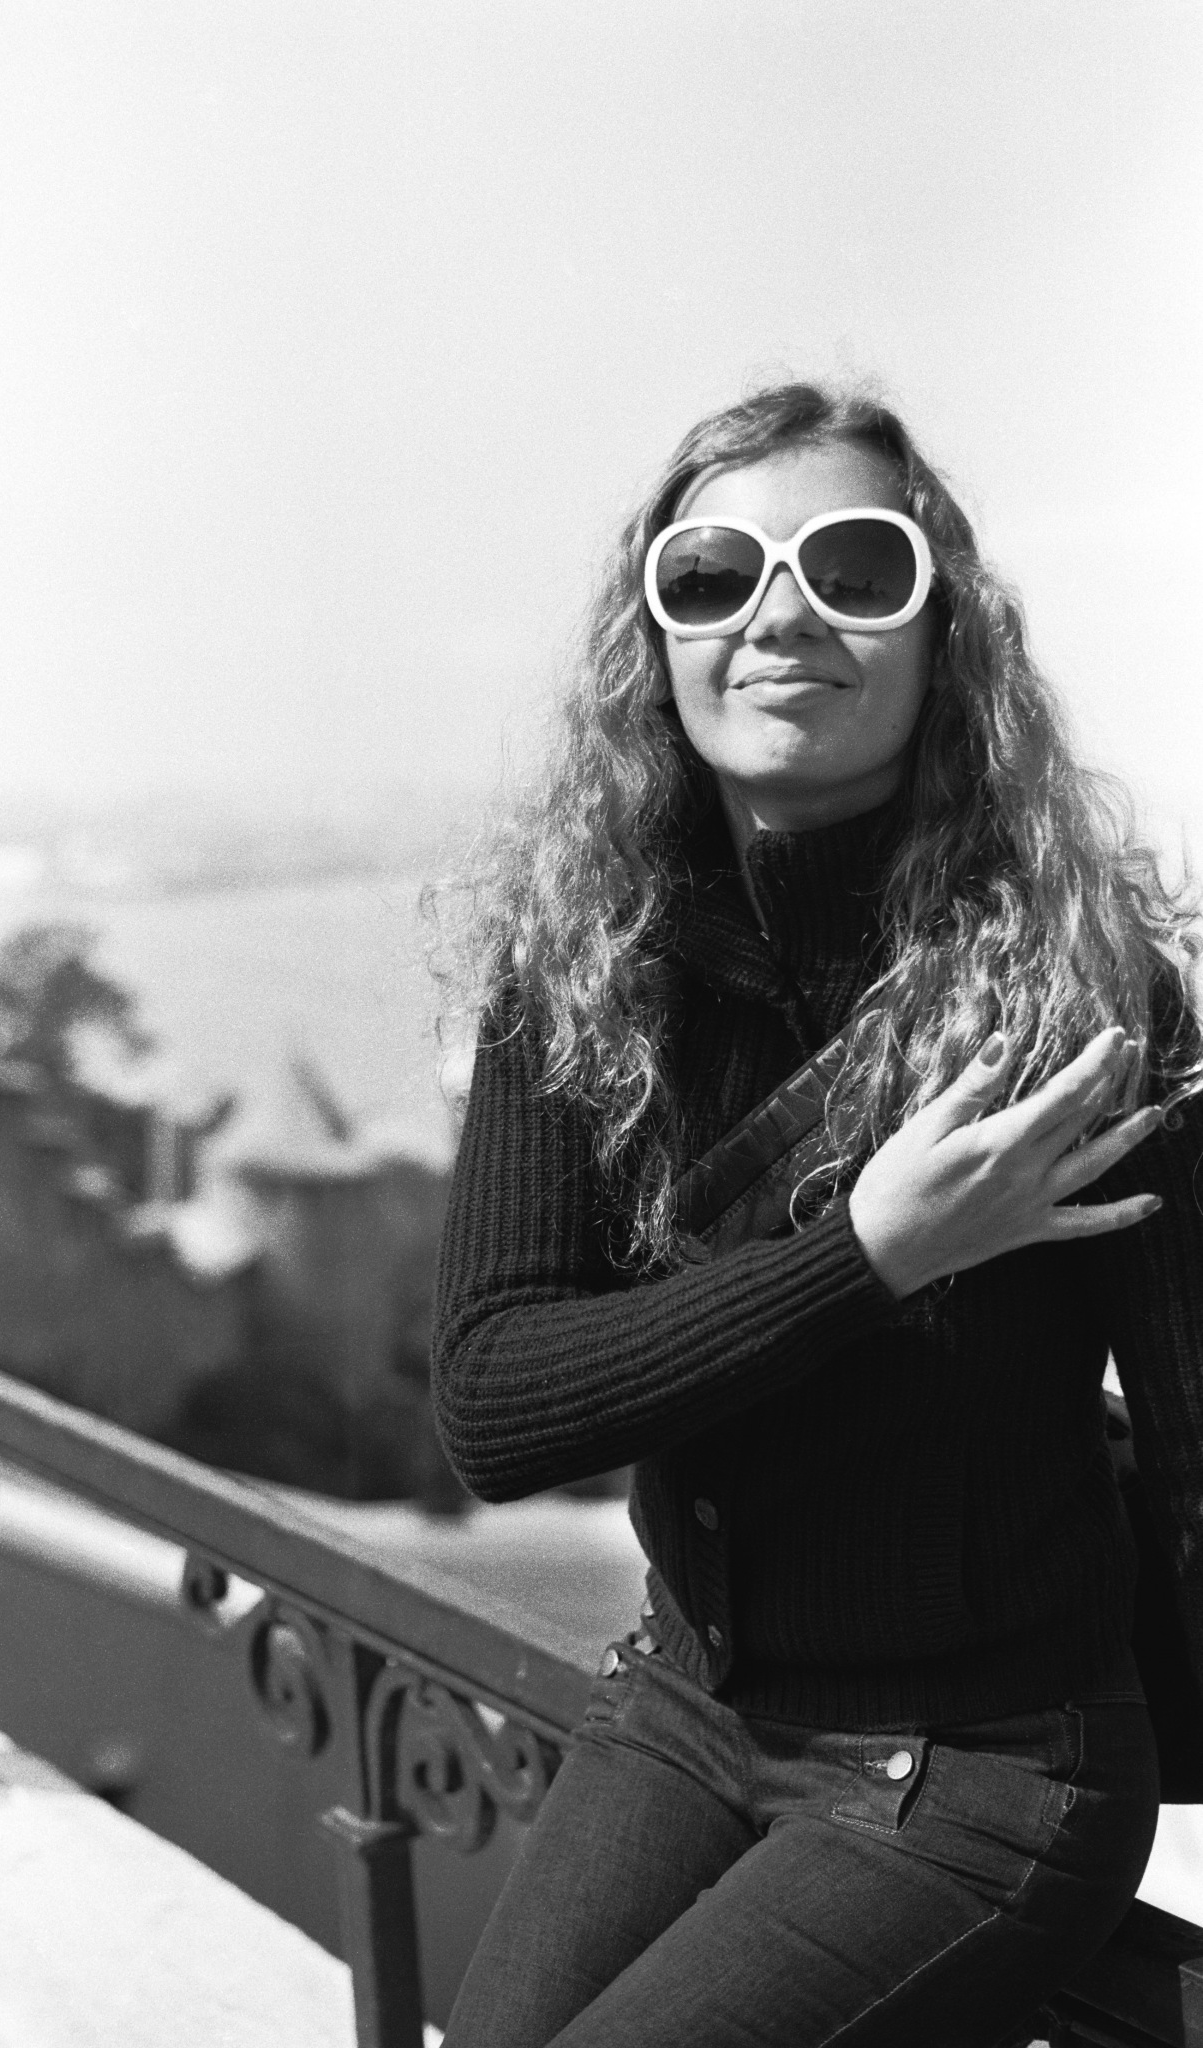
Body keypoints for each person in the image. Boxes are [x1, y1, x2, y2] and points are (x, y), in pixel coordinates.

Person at [430, 383, 1203, 2048]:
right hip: (689, 1704)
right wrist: (870, 1256)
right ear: (658, 643)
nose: (781, 615)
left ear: (944, 634)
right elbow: (494, 1402)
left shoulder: (1081, 995)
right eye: (714, 577)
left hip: (988, 1763)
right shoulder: (583, 965)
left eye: (855, 568)